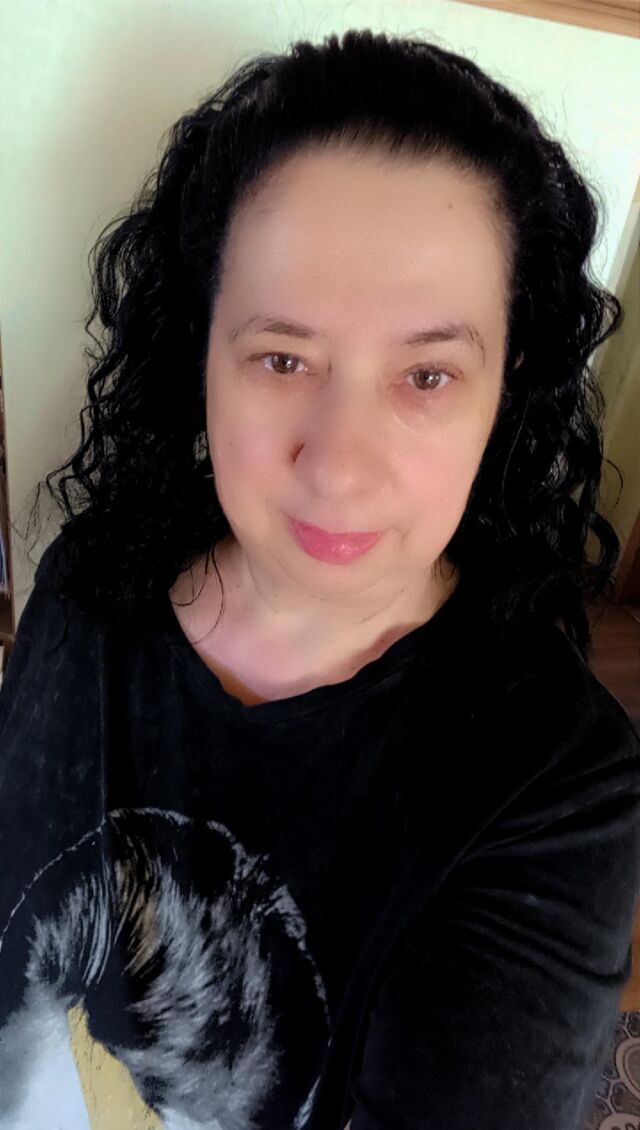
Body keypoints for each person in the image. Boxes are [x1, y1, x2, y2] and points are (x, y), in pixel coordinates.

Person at [1, 26, 639, 1130]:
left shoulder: (556, 788)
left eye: (427, 375)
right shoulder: (86, 581)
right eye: (283, 358)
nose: (339, 467)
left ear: (506, 388)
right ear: (201, 351)